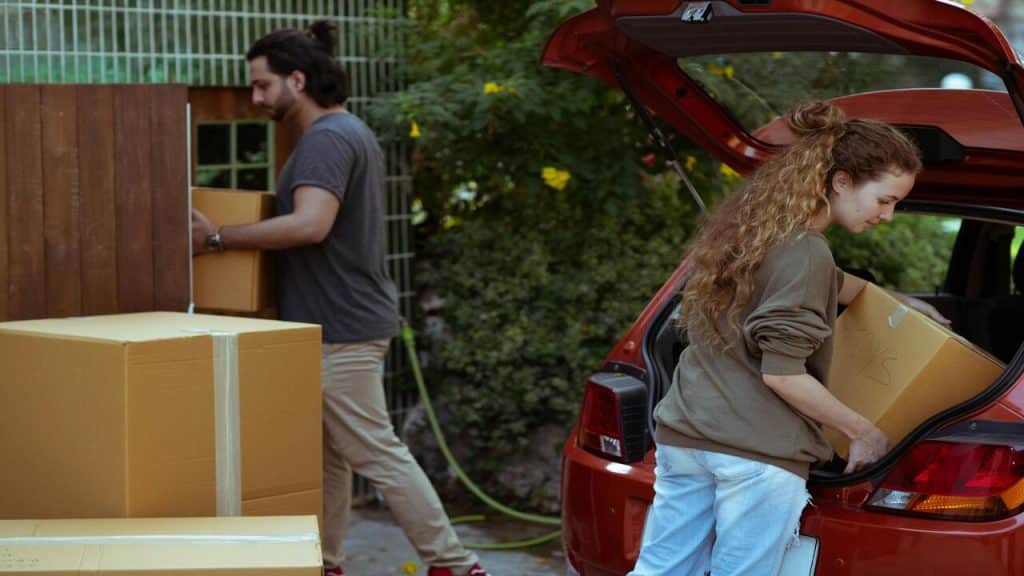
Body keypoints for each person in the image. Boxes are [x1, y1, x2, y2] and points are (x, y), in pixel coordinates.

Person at [190, 20, 489, 576]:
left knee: (377, 453)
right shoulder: (346, 132)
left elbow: (310, 225)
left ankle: (455, 564)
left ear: (296, 80)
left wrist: (217, 239)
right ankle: (325, 561)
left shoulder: (327, 140)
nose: (255, 98)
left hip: (341, 328)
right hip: (337, 322)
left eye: (262, 85)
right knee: (330, 457)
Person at [628, 101, 949, 576]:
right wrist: (863, 432)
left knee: (660, 571)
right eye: (885, 200)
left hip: (687, 436)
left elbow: (830, 282)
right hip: (754, 456)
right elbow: (782, 374)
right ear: (841, 182)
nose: (889, 215)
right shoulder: (805, 252)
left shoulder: (758, 232)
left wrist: (898, 303)